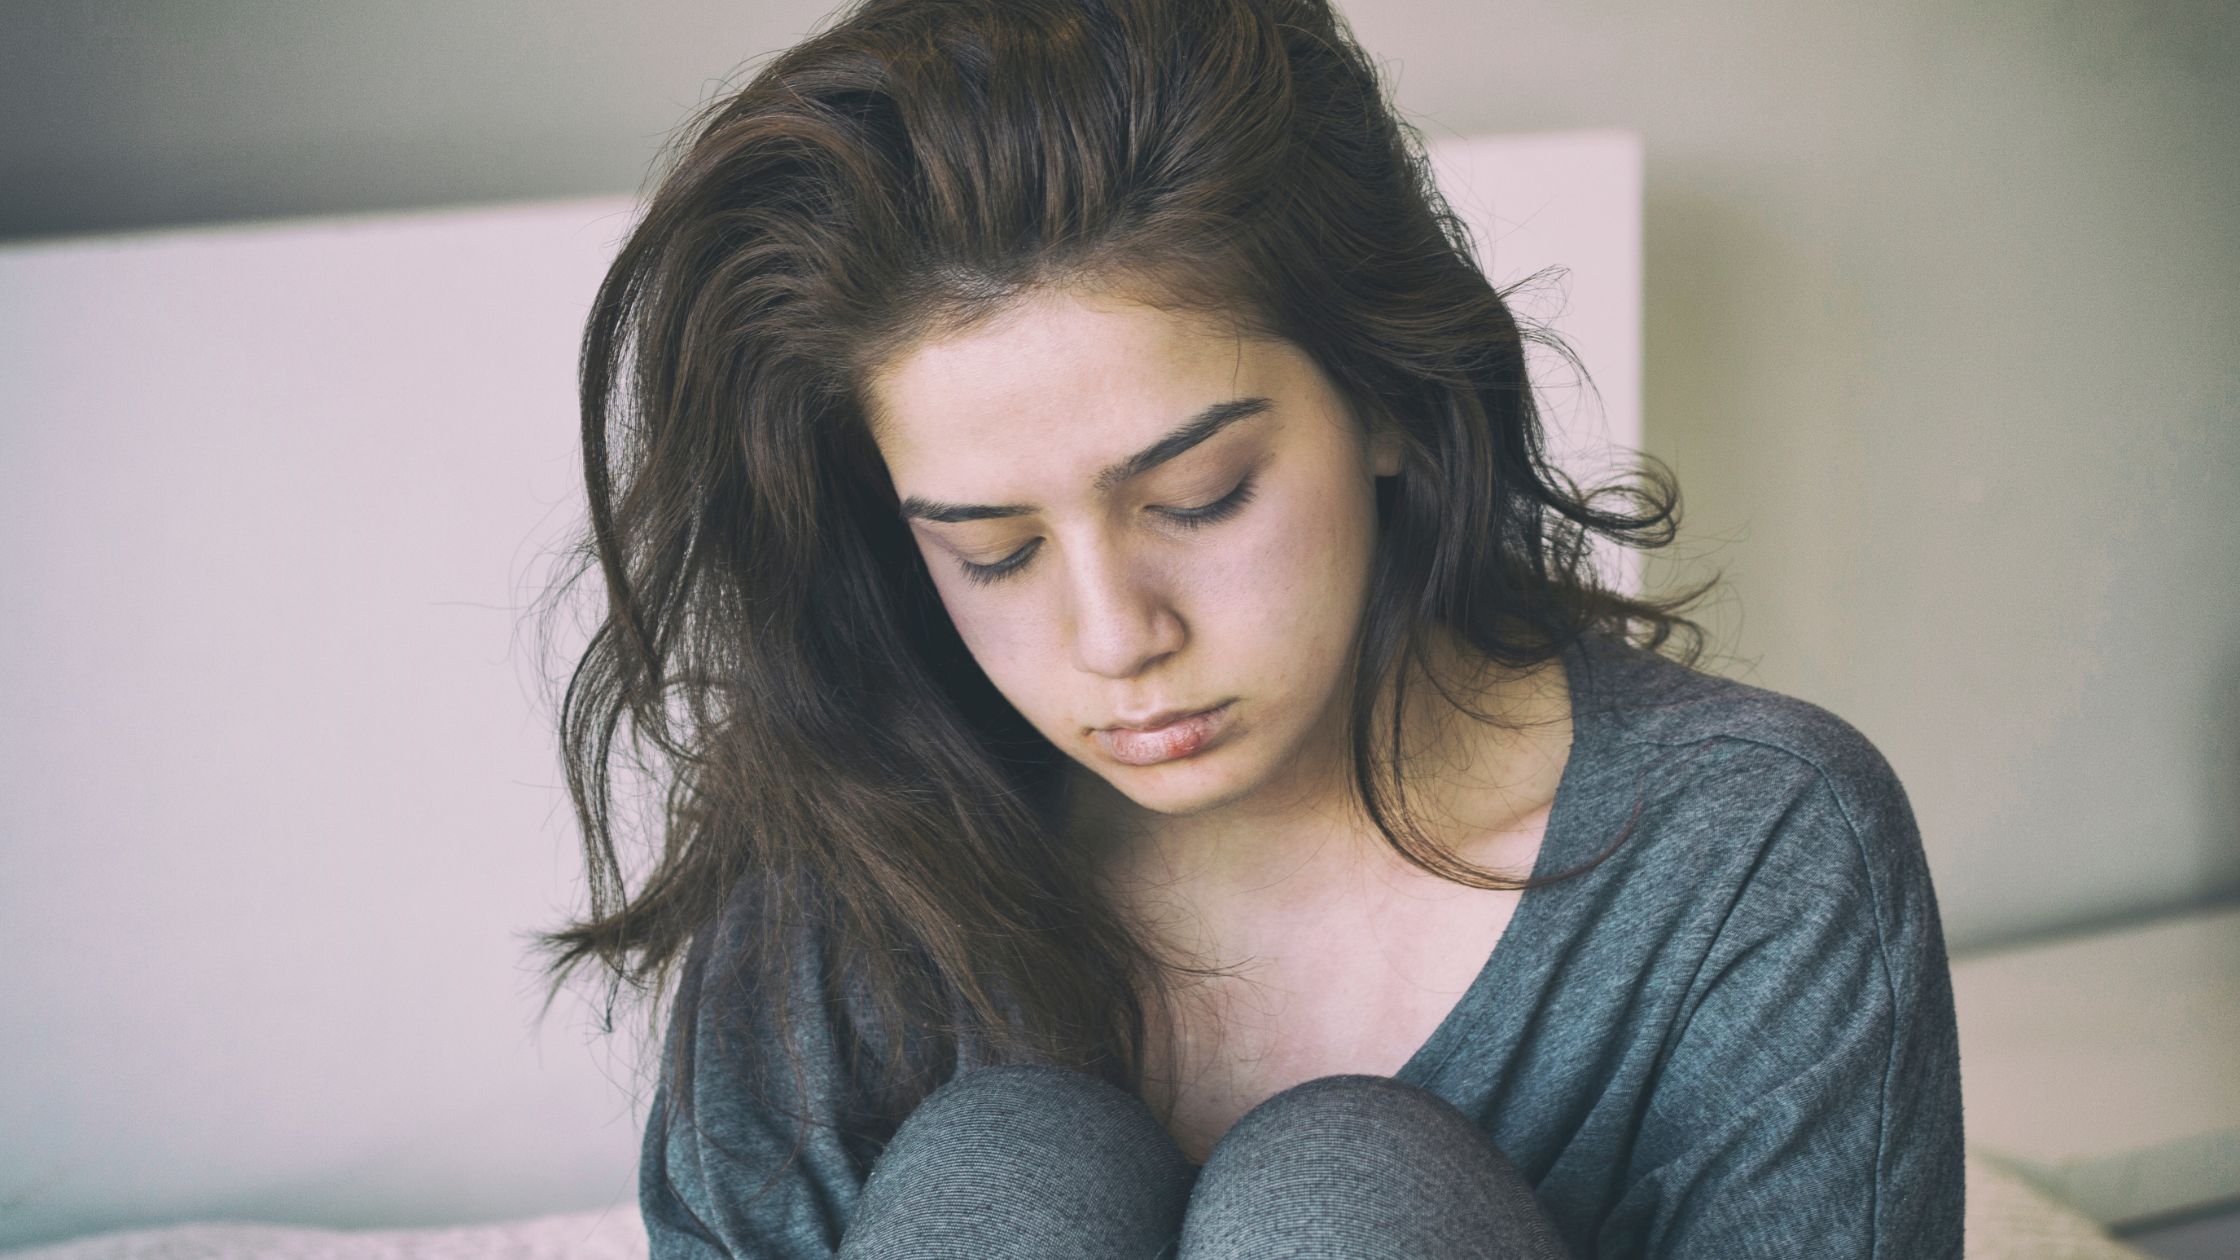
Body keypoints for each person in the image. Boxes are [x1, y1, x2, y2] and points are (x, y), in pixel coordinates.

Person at [535, 0, 1966, 1256]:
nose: (1114, 637)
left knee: (1338, 1201)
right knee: (1011, 1173)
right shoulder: (840, 867)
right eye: (996, 550)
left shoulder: (1745, 853)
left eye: (1202, 497)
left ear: (1391, 400)